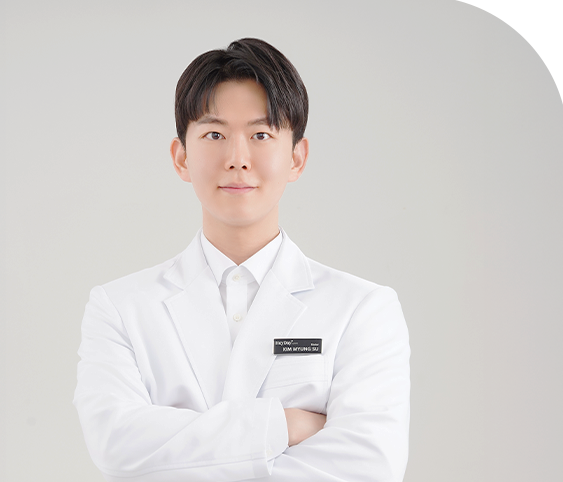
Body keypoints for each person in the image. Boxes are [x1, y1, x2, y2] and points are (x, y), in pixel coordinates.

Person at [74, 38, 410, 482]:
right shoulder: (120, 308)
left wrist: (175, 454)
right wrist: (284, 425)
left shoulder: (361, 309)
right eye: (214, 135)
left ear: (297, 158)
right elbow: (116, 444)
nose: (237, 159)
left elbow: (369, 465)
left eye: (261, 135)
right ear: (181, 157)